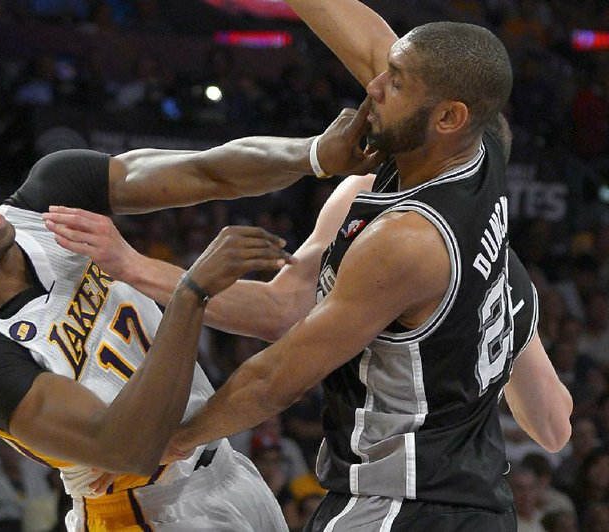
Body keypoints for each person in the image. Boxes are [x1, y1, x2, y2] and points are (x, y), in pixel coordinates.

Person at [47, 1, 573, 529]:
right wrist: (133, 265)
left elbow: (278, 378)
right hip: (480, 502)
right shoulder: (476, 151)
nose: (373, 86)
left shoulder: (410, 241)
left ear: (448, 117)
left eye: (395, 82)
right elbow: (554, 426)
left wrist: (168, 442)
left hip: (398, 504)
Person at [0, 109, 381, 531]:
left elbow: (207, 169)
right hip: (142, 511)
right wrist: (190, 292)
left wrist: (312, 154)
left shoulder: (49, 196)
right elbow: (128, 446)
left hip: (224, 467)